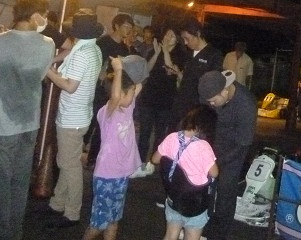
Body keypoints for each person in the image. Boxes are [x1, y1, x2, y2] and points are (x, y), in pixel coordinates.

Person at [0, 0, 55, 240]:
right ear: (34, 16)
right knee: (20, 181)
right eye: (43, 15)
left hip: (2, 125)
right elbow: (40, 76)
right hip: (29, 123)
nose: (45, 20)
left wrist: (1, 39)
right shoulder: (48, 44)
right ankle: (14, 232)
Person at [44, 9, 104, 229]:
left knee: (70, 166)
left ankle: (72, 213)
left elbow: (69, 86)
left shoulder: (81, 53)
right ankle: (57, 203)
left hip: (72, 117)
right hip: (80, 115)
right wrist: (52, 59)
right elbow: (68, 53)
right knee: (67, 161)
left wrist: (46, 69)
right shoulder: (92, 48)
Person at [82, 55, 147, 240]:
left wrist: (127, 65)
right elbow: (116, 96)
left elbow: (139, 83)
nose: (134, 94)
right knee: (98, 224)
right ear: (120, 94)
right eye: (130, 92)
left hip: (120, 175)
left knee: (113, 220)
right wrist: (118, 70)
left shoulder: (128, 108)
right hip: (106, 176)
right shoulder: (107, 113)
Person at [198, 69, 257, 240]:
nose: (211, 104)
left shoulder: (246, 104)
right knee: (206, 185)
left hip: (235, 147)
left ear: (225, 91)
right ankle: (204, 222)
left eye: (213, 101)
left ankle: (221, 232)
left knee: (225, 190)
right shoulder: (209, 91)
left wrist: (219, 162)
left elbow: (244, 142)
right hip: (214, 142)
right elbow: (203, 118)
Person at [152, 105, 218, 240]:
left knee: (170, 235)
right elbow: (214, 173)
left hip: (173, 198)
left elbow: (155, 159)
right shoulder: (203, 147)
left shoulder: (171, 137)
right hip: (195, 204)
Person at [133, 27, 188, 178]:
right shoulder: (155, 50)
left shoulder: (180, 55)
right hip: (148, 98)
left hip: (166, 101)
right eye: (166, 34)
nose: (168, 37)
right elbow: (147, 70)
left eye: (172, 35)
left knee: (159, 133)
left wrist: (164, 52)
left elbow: (171, 70)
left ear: (177, 40)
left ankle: (153, 163)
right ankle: (139, 163)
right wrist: (157, 53)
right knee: (144, 132)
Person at [85, 13, 134, 167]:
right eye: (126, 26)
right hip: (98, 89)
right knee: (91, 121)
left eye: (130, 27)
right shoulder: (103, 43)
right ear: (116, 26)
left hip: (112, 91)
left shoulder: (124, 48)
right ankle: (79, 148)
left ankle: (93, 159)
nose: (128, 30)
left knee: (104, 125)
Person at [171, 18, 222, 128]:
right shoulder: (188, 53)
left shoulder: (214, 55)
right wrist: (178, 74)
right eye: (183, 39)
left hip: (197, 109)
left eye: (187, 38)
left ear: (198, 34)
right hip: (180, 105)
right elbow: (186, 80)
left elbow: (213, 85)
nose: (185, 42)